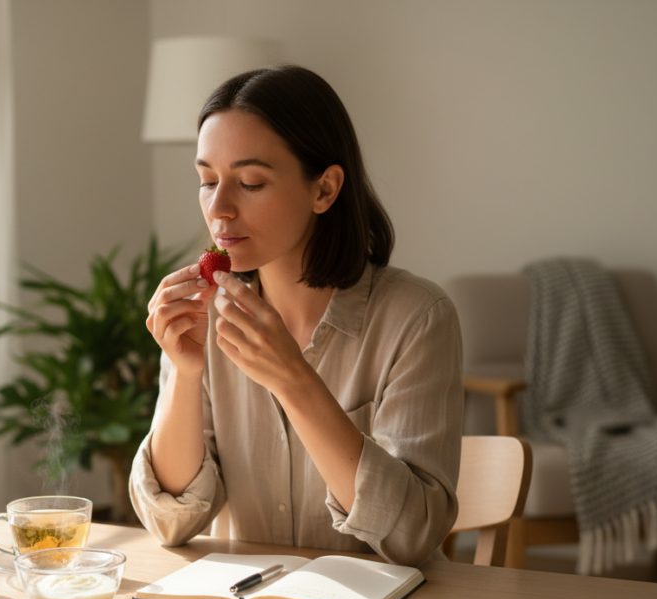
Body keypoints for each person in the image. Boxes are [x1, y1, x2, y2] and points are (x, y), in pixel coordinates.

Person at [129, 65, 462, 567]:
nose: (219, 208)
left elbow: (412, 534)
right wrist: (185, 371)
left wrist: (293, 380)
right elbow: (172, 522)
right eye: (206, 180)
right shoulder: (205, 319)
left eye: (250, 182)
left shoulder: (417, 318)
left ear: (324, 189)